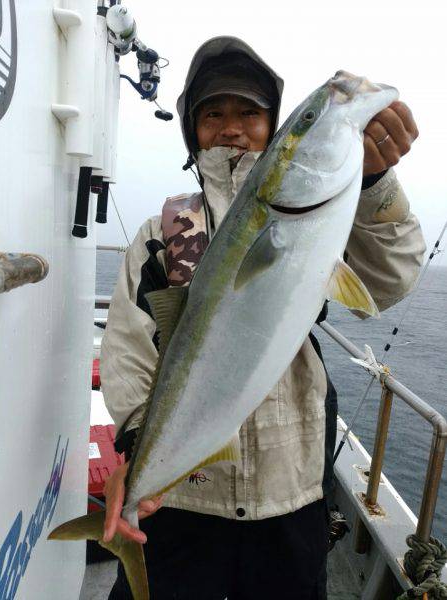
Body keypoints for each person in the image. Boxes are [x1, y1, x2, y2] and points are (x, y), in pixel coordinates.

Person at [100, 36, 426, 599]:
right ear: (192, 129)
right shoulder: (162, 234)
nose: (231, 127)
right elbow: (129, 347)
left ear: (273, 128)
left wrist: (374, 183)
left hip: (289, 493)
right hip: (183, 494)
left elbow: (390, 282)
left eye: (250, 112)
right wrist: (136, 445)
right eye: (213, 113)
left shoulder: (323, 216)